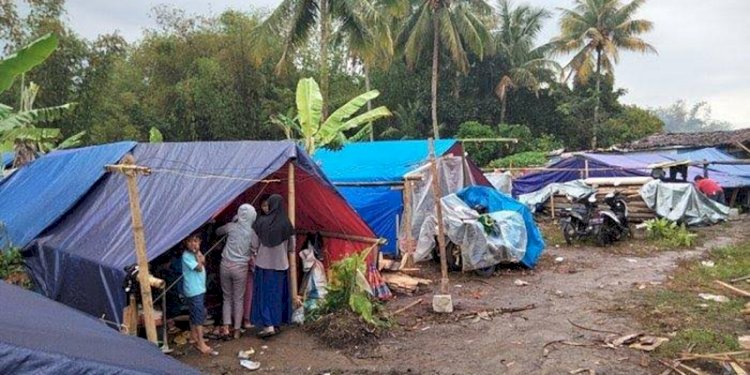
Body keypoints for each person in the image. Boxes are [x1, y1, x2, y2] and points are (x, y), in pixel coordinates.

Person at [250, 194, 296, 338]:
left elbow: (254, 245)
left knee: (264, 296)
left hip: (263, 265)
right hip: (281, 266)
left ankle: (268, 325)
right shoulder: (287, 224)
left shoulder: (260, 223)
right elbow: (292, 247)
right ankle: (276, 324)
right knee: (277, 296)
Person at [216, 204, 258, 339]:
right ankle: (237, 330)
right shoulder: (252, 233)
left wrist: (233, 222)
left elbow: (218, 231)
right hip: (240, 268)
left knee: (227, 298)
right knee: (238, 299)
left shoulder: (231, 227)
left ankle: (226, 327)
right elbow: (255, 247)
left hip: (225, 265)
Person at [181, 231, 216, 355]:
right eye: (190, 241)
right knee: (198, 316)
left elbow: (204, 261)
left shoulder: (196, 253)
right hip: (193, 289)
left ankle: (193, 336)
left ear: (200, 242)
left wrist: (199, 254)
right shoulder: (186, 255)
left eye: (195, 241)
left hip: (198, 288)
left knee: (193, 313)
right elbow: (199, 267)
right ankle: (201, 343)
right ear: (186, 243)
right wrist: (197, 254)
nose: (193, 244)